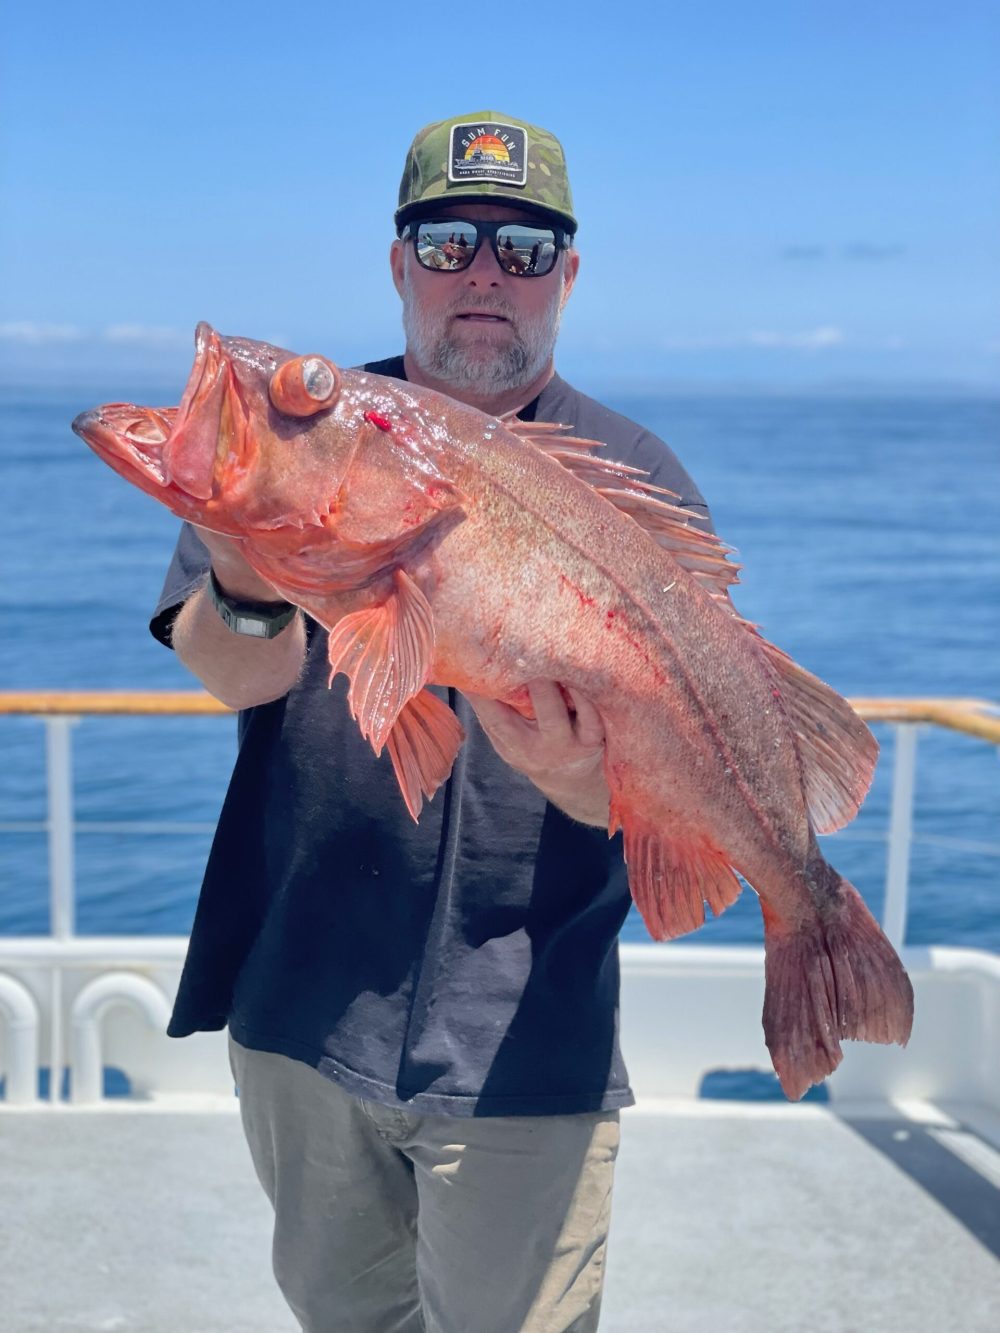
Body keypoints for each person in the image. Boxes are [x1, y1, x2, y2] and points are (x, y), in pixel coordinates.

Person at [151, 111, 712, 1333]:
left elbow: (648, 775)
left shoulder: (635, 476)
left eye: (523, 248)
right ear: (400, 263)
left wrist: (577, 773)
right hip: (303, 995)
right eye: (450, 240)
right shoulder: (303, 434)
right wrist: (245, 564)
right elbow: (231, 675)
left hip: (526, 1030)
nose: (484, 273)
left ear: (567, 274)